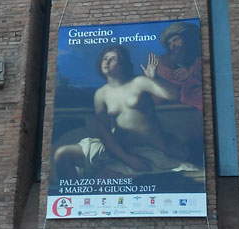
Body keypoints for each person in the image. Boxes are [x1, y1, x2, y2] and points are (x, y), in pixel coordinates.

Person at [54, 45, 200, 177]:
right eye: (105, 58)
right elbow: (103, 130)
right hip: (117, 148)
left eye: (112, 59)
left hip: (147, 149)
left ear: (123, 64)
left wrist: (155, 78)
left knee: (105, 178)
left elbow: (173, 95)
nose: (106, 62)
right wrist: (125, 157)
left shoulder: (139, 82)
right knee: (62, 154)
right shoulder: (101, 94)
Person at [155, 21, 203, 111]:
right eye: (169, 43)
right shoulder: (166, 62)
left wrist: (190, 73)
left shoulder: (199, 60)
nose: (172, 45)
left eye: (175, 40)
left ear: (186, 39)